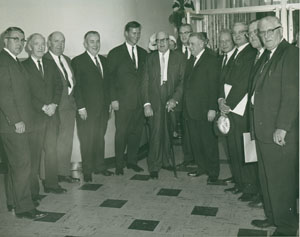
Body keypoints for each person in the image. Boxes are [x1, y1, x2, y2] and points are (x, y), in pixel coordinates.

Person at [250, 16, 299, 236]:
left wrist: (282, 127)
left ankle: (287, 227)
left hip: (279, 133)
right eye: (263, 32)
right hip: (263, 130)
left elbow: (292, 95)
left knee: (282, 181)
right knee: (267, 178)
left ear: (281, 30)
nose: (267, 35)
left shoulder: (290, 54)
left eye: (271, 31)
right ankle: (272, 217)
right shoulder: (267, 55)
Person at [0, 27, 47, 219]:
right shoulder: (3, 61)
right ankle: (25, 208)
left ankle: (13, 202)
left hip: (20, 123)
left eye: (21, 39)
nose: (19, 43)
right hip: (13, 125)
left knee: (15, 166)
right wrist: (16, 120)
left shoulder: (13, 60)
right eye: (15, 39)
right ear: (5, 40)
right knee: (23, 165)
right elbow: (4, 95)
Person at [218, 22, 257, 197]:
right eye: (235, 33)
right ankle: (239, 183)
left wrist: (228, 104)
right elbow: (223, 80)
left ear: (248, 34)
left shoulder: (250, 53)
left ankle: (249, 188)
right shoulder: (235, 54)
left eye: (241, 32)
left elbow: (242, 84)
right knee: (233, 149)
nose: (237, 36)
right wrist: (220, 100)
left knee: (244, 151)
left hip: (239, 111)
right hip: (230, 109)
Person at [23, 33, 65, 195]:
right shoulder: (23, 66)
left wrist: (54, 104)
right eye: (37, 44)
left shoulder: (50, 64)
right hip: (35, 117)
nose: (41, 47)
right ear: (29, 46)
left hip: (52, 115)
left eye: (43, 44)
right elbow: (25, 94)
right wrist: (43, 107)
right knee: (34, 155)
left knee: (52, 151)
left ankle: (52, 184)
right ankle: (33, 192)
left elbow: (58, 87)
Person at [141, 31, 186, 179]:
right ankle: (154, 166)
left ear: (169, 41)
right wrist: (146, 104)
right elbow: (145, 82)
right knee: (155, 132)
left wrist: (175, 99)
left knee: (168, 131)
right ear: (155, 43)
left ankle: (165, 161)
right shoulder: (150, 58)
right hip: (154, 100)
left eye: (164, 40)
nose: (161, 43)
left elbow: (182, 81)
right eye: (158, 41)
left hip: (171, 98)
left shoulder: (179, 58)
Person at [72, 31, 113, 182]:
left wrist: (108, 104)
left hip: (102, 109)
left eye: (97, 41)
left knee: (99, 138)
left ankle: (100, 166)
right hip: (86, 110)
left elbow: (107, 85)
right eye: (91, 41)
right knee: (87, 139)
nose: (95, 45)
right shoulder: (78, 61)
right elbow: (77, 88)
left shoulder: (103, 60)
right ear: (85, 44)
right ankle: (87, 170)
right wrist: (81, 107)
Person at [107, 21, 147, 175]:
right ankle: (118, 165)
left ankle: (132, 161)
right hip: (122, 102)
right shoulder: (115, 53)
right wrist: (113, 99)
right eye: (133, 33)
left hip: (139, 102)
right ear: (126, 33)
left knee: (136, 133)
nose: (136, 36)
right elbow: (110, 79)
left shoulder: (144, 53)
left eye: (138, 33)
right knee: (121, 133)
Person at [183, 32, 220, 183]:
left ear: (202, 44)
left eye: (192, 44)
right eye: (189, 44)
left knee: (208, 142)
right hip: (192, 110)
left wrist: (212, 108)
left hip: (205, 110)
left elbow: (214, 85)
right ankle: (201, 167)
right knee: (196, 142)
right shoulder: (192, 60)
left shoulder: (211, 59)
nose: (189, 47)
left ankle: (213, 172)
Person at [45, 31, 79, 183]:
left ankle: (63, 173)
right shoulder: (45, 59)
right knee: (51, 145)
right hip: (54, 109)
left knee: (66, 142)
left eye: (62, 41)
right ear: (49, 43)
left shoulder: (67, 59)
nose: (60, 45)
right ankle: (50, 177)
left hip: (69, 107)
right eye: (56, 41)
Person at [245, 20, 266, 208]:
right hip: (252, 118)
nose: (252, 36)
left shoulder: (268, 56)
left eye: (255, 33)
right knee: (254, 157)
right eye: (249, 33)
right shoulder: (255, 55)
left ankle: (264, 197)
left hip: (265, 121)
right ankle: (259, 194)